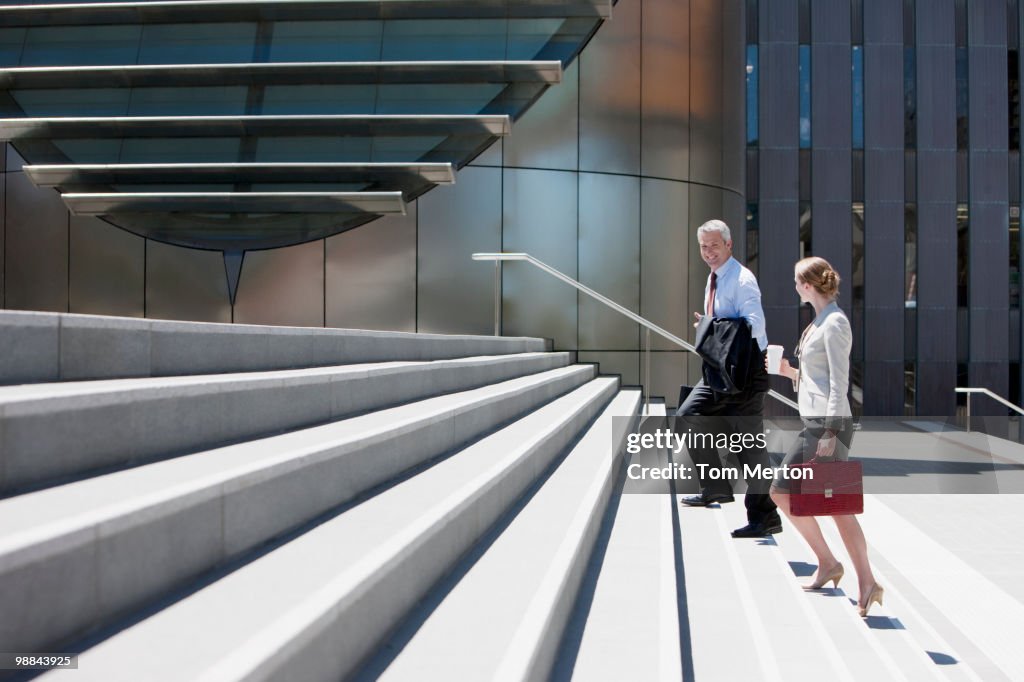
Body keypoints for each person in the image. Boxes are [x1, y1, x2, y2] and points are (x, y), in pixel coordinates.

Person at [770, 256, 884, 617]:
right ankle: (835, 567)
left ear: (807, 285)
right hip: (818, 423)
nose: (793, 287)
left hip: (827, 426)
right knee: (830, 506)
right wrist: (790, 372)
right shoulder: (819, 321)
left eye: (795, 281)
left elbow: (839, 382)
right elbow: (818, 378)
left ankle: (857, 577)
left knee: (801, 497)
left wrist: (831, 431)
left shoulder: (834, 323)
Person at [677, 219, 782, 538]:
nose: (708, 252)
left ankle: (765, 515)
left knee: (748, 446)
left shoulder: (742, 279)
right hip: (720, 371)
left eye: (714, 246)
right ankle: (716, 487)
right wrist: (709, 324)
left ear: (729, 244)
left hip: (746, 373)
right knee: (687, 417)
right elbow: (727, 323)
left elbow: (755, 326)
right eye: (703, 246)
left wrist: (715, 326)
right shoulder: (714, 278)